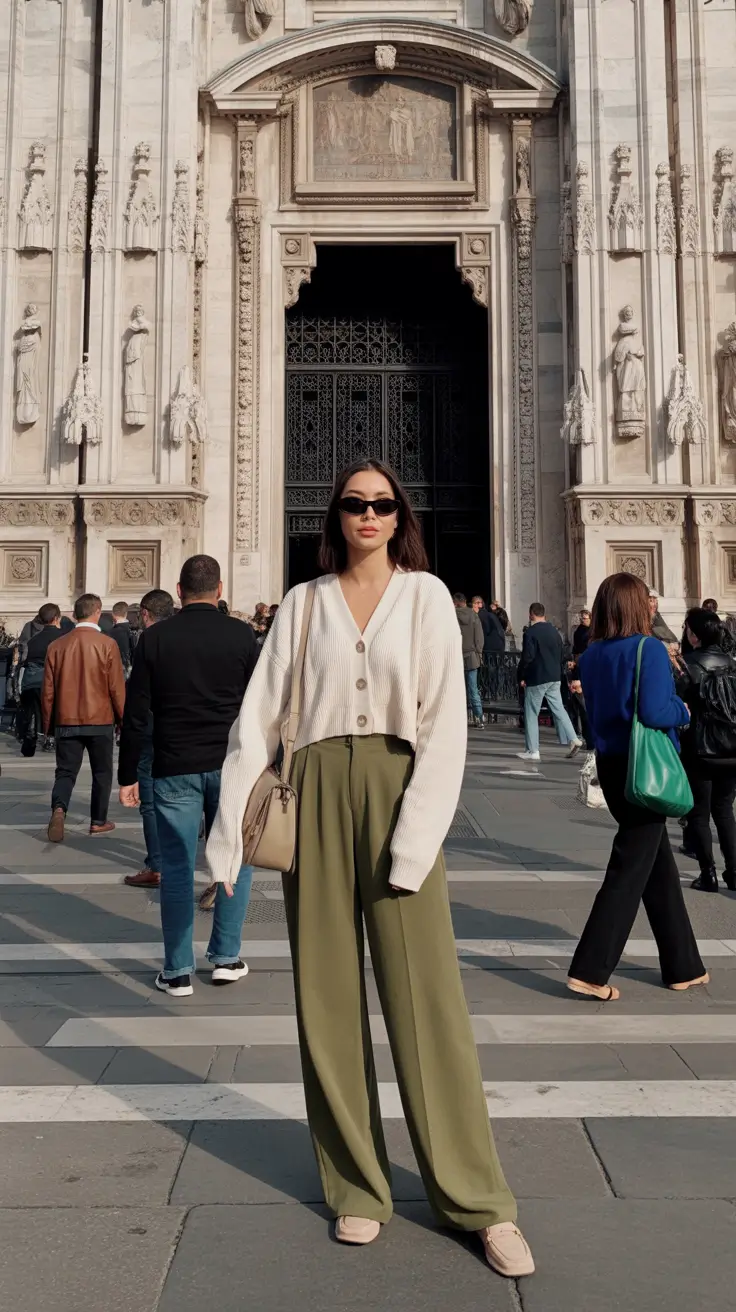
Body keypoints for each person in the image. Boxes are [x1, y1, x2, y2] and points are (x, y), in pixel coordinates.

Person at [206, 458, 535, 1278]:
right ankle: (356, 1186)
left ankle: (477, 1199)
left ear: (400, 518)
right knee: (325, 1000)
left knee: (428, 1005)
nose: (368, 515)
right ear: (336, 517)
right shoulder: (301, 603)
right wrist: (224, 845)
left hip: (397, 789)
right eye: (354, 503)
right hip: (312, 790)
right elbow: (258, 721)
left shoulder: (425, 596)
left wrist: (416, 839)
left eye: (382, 504)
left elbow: (444, 723)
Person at [118, 555, 259, 998]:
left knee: (177, 866)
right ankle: (226, 958)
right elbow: (259, 707)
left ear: (179, 590)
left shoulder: (155, 639)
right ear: (219, 589)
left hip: (173, 764)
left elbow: (137, 712)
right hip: (232, 765)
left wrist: (128, 774)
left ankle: (178, 970)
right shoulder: (242, 635)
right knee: (234, 857)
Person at [569, 572, 706, 1000]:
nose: (652, 604)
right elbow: (655, 710)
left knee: (657, 865)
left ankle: (683, 966)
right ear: (634, 605)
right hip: (644, 765)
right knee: (628, 867)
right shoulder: (647, 648)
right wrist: (682, 711)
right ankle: (590, 969)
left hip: (612, 764)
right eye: (647, 598)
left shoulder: (590, 655)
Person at [42, 593, 125, 843]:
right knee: (102, 772)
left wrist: (47, 725)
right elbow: (116, 688)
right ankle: (98, 821)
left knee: (65, 772)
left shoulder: (56, 646)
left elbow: (48, 691)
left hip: (66, 720)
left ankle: (59, 808)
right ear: (97, 611)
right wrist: (124, 720)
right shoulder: (107, 644)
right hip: (100, 719)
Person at [676, 607, 736, 893]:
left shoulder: (687, 664)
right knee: (724, 810)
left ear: (694, 634)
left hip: (698, 748)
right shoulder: (732, 662)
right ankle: (734, 872)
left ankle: (707, 873)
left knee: (699, 812)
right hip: (731, 747)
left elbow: (677, 705)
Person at [123, 589, 175, 889]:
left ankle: (157, 865)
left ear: (145, 613)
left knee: (151, 802)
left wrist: (126, 773)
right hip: (196, 735)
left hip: (153, 731)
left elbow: (137, 701)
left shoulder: (149, 640)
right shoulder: (186, 635)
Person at [517, 603, 583, 763]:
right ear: (544, 614)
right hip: (554, 676)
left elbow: (528, 657)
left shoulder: (531, 632)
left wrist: (522, 675)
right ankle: (574, 739)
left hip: (537, 677)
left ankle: (533, 750)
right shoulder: (555, 632)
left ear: (531, 614)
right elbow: (562, 654)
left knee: (531, 712)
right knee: (559, 708)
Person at [18, 603, 63, 756]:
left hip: (31, 679)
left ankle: (31, 734)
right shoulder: (62, 638)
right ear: (56, 618)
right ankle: (49, 738)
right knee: (53, 710)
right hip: (51, 679)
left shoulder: (33, 640)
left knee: (32, 710)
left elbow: (22, 659)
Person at [454, 593, 486, 728]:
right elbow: (479, 636)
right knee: (473, 689)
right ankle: (479, 717)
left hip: (457, 656)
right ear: (465, 601)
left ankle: (458, 718)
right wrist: (479, 653)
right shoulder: (473, 615)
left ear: (455, 602)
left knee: (456, 689)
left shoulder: (451, 615)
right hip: (472, 655)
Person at [109, 601, 133, 676]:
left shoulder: (112, 632)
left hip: (118, 669)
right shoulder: (133, 629)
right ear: (126, 614)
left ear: (113, 614)